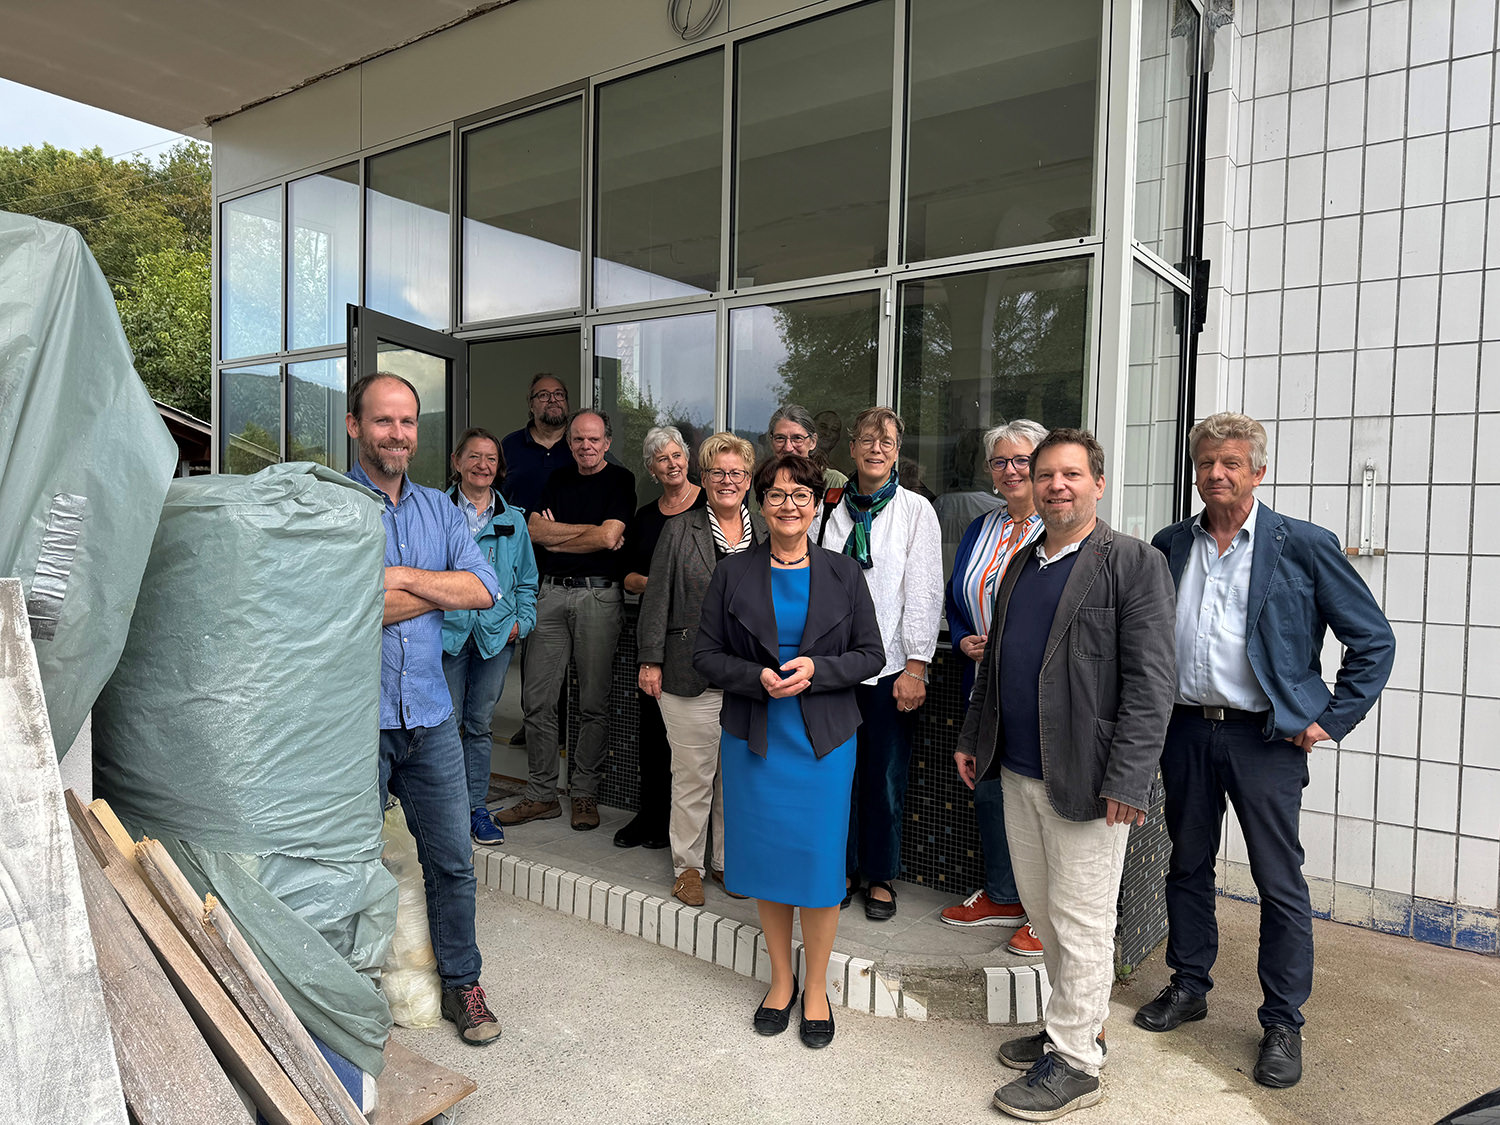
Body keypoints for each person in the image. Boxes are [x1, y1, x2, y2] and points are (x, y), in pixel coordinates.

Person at [1136, 412, 1395, 1090]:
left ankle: (1282, 1020)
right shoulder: (1171, 544)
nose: (1216, 473)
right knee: (1187, 865)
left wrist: (1329, 720)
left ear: (1258, 470)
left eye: (1230, 462)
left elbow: (1372, 640)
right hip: (1185, 730)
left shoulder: (1302, 545)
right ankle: (1189, 984)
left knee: (1278, 882)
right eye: (1206, 463)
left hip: (1265, 738)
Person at [957, 428, 1175, 1120]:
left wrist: (1129, 780)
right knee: (1047, 917)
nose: (1056, 485)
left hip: (1089, 780)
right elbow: (996, 665)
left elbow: (1152, 684)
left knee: (1082, 923)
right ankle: (1071, 1028)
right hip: (1019, 773)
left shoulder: (1133, 563)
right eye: (1045, 473)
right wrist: (973, 736)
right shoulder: (1022, 562)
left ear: (1097, 484)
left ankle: (1078, 1064)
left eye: (1071, 474)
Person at [694, 453, 884, 1048]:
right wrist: (756, 677)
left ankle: (817, 987)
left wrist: (819, 670)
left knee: (820, 865)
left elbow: (872, 654)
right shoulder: (733, 572)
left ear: (816, 503)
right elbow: (704, 655)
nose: (788, 505)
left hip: (823, 743)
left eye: (801, 494)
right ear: (761, 502)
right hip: (756, 739)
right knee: (770, 863)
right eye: (776, 494)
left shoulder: (844, 572)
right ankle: (781, 980)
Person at [345, 372, 505, 1046]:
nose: (397, 434)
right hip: (358, 721)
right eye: (383, 420)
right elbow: (342, 605)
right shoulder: (335, 508)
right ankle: (349, 994)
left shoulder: (440, 510)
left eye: (407, 421)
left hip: (431, 715)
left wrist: (403, 579)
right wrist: (439, 589)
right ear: (355, 426)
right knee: (348, 863)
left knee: (453, 862)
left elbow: (486, 588)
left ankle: (463, 984)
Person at [816, 406, 943, 922]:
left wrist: (916, 666)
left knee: (884, 778)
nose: (875, 449)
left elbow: (925, 591)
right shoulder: (828, 506)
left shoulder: (916, 510)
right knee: (836, 776)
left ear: (896, 453)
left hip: (890, 668)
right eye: (867, 440)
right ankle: (842, 869)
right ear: (851, 448)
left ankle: (880, 875)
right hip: (831, 669)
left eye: (885, 442)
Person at [637, 432, 766, 906]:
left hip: (750, 677)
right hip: (688, 673)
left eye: (736, 473)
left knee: (736, 778)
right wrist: (650, 660)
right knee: (693, 778)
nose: (727, 481)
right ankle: (687, 867)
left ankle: (726, 862)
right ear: (704, 478)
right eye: (718, 472)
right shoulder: (680, 529)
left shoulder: (767, 529)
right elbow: (657, 598)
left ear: (748, 480)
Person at [498, 410, 636, 831]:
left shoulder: (621, 480)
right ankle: (541, 794)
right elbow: (536, 532)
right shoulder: (557, 478)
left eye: (593, 439)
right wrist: (586, 535)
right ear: (569, 443)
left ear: (607, 442)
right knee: (537, 700)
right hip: (551, 593)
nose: (585, 446)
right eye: (578, 439)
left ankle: (584, 793)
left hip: (599, 595)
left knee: (592, 702)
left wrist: (563, 537)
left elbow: (610, 537)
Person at [941, 419, 1048, 959]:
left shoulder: (1059, 528)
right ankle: (1005, 895)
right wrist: (962, 637)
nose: (1011, 470)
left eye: (1022, 460)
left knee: (1040, 798)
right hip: (982, 686)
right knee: (988, 790)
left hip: (1038, 691)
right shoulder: (981, 527)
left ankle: (1045, 915)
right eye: (1000, 462)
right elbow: (957, 596)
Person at [441, 427, 538, 847]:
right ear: (457, 462)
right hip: (447, 633)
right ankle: (445, 810)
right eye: (474, 456)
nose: (483, 465)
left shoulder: (513, 519)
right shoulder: (436, 512)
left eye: (491, 458)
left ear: (499, 468)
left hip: (496, 636)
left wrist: (522, 623)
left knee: (479, 725)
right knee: (445, 724)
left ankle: (476, 809)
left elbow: (528, 581)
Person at [615, 426, 706, 852]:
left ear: (688, 459)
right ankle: (650, 815)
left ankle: (686, 828)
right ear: (651, 469)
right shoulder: (646, 517)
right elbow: (627, 576)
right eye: (661, 459)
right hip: (655, 635)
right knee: (652, 732)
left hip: (700, 638)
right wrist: (660, 584)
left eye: (676, 455)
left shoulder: (710, 505)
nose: (671, 464)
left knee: (693, 742)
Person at [500, 373, 571, 513]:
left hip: (574, 528)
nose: (553, 400)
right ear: (531, 405)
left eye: (559, 394)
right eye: (544, 395)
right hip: (519, 527)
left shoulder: (583, 446)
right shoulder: (510, 445)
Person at [767, 403, 847, 492]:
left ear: (813, 442)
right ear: (771, 441)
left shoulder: (835, 482)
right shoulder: (764, 480)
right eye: (780, 438)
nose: (788, 448)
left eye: (797, 438)